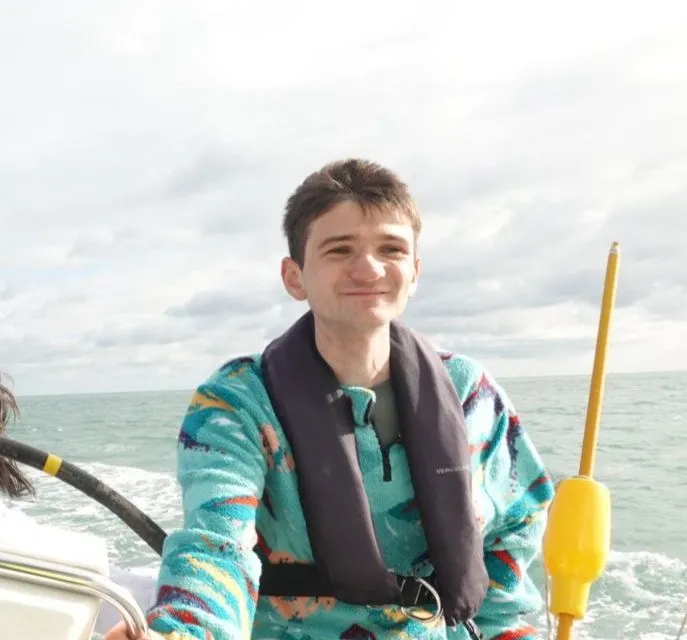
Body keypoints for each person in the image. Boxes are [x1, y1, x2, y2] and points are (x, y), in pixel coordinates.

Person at [105, 158, 555, 640]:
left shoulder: (472, 395)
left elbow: (515, 526)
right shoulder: (236, 403)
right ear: (294, 276)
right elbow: (216, 544)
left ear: (415, 272)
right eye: (340, 249)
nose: (369, 268)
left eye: (392, 248)